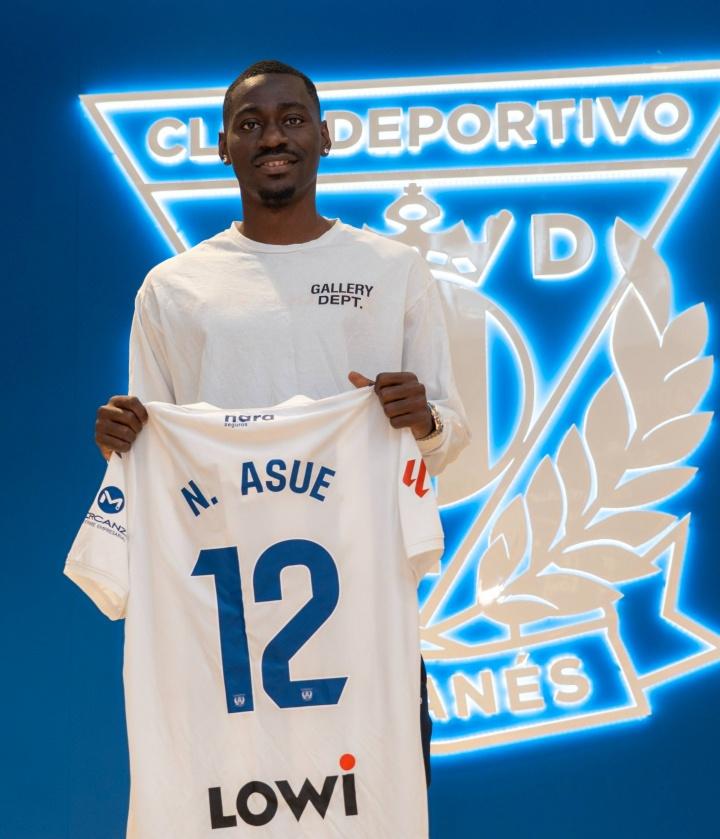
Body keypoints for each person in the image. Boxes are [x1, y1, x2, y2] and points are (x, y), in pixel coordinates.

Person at [94, 59, 470, 788]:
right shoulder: (173, 288)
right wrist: (121, 440)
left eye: (292, 120)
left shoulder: (393, 270)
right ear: (223, 146)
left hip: (364, 614)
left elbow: (448, 434)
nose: (273, 137)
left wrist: (424, 421)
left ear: (325, 137)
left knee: (370, 810)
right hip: (221, 628)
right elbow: (151, 456)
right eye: (251, 124)